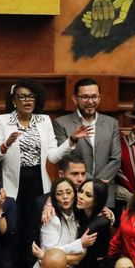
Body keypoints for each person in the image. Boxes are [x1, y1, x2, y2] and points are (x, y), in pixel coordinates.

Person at [0, 79, 82, 268]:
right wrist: (6, 144)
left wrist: (71, 141)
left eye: (31, 96)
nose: (27, 100)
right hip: (14, 185)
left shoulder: (44, 121)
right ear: (14, 100)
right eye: (21, 97)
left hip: (38, 184)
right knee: (14, 233)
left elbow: (53, 156)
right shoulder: (2, 120)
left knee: (34, 233)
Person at [53, 78, 122, 207]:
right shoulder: (61, 124)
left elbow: (116, 159)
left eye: (94, 97)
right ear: (75, 99)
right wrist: (91, 184)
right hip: (76, 193)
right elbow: (65, 159)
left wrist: (97, 186)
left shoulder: (112, 123)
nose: (90, 101)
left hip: (105, 194)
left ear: (99, 98)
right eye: (85, 97)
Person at [29, 178, 95, 268]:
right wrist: (79, 244)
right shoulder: (50, 218)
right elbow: (51, 252)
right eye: (59, 194)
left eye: (69, 192)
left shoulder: (77, 213)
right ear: (53, 197)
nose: (65, 197)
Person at [74, 179, 113, 268]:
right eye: (81, 191)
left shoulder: (100, 222)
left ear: (97, 201)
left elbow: (78, 248)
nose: (81, 196)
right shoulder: (82, 212)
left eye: (88, 195)